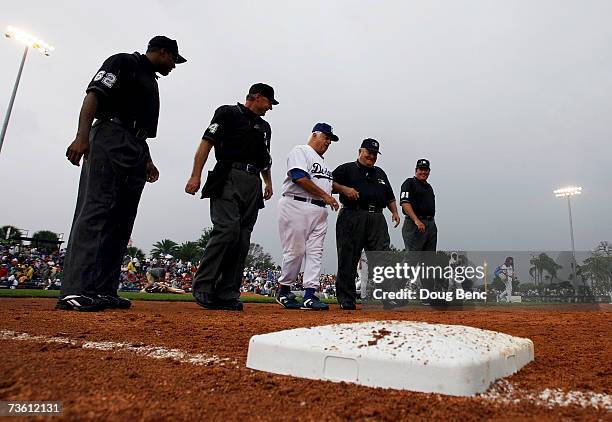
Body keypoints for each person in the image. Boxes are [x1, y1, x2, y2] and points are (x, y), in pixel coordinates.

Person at [57, 36, 186, 312]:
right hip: (110, 134)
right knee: (95, 210)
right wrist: (82, 137)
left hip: (136, 144)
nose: (174, 65)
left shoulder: (151, 80)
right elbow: (94, 95)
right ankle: (75, 289)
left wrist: (147, 159)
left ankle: (103, 289)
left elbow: (140, 128)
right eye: (173, 59)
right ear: (162, 52)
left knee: (121, 221)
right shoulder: (124, 61)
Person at [185, 83, 277, 311]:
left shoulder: (265, 127)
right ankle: (204, 286)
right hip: (228, 174)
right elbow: (206, 143)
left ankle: (228, 292)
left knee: (243, 238)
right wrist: (195, 176)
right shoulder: (227, 112)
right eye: (269, 102)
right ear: (257, 97)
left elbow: (266, 158)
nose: (270, 108)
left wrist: (268, 182)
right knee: (227, 230)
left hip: (253, 180)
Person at [276, 123, 340, 311]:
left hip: (319, 211)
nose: (328, 142)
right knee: (295, 251)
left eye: (330, 139)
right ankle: (284, 290)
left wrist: (338, 191)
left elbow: (328, 185)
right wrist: (326, 196)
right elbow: (298, 177)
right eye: (325, 137)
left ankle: (310, 295)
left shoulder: (325, 165)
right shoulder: (301, 150)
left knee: (315, 253)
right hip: (296, 204)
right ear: (314, 135)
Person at [332, 138, 401, 310]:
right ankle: (346, 299)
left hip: (377, 217)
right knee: (348, 257)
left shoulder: (380, 173)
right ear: (360, 151)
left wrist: (394, 211)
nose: (372, 156)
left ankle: (388, 298)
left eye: (375, 154)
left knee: (383, 258)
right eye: (369, 152)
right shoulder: (346, 169)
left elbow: (389, 196)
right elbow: (327, 183)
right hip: (352, 214)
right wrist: (344, 189)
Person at [400, 159, 437, 251]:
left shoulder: (429, 187)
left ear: (429, 171)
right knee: (412, 257)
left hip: (430, 224)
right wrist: (416, 220)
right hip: (414, 224)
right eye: (421, 169)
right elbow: (405, 203)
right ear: (416, 170)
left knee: (428, 258)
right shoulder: (409, 183)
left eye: (426, 170)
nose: (423, 172)